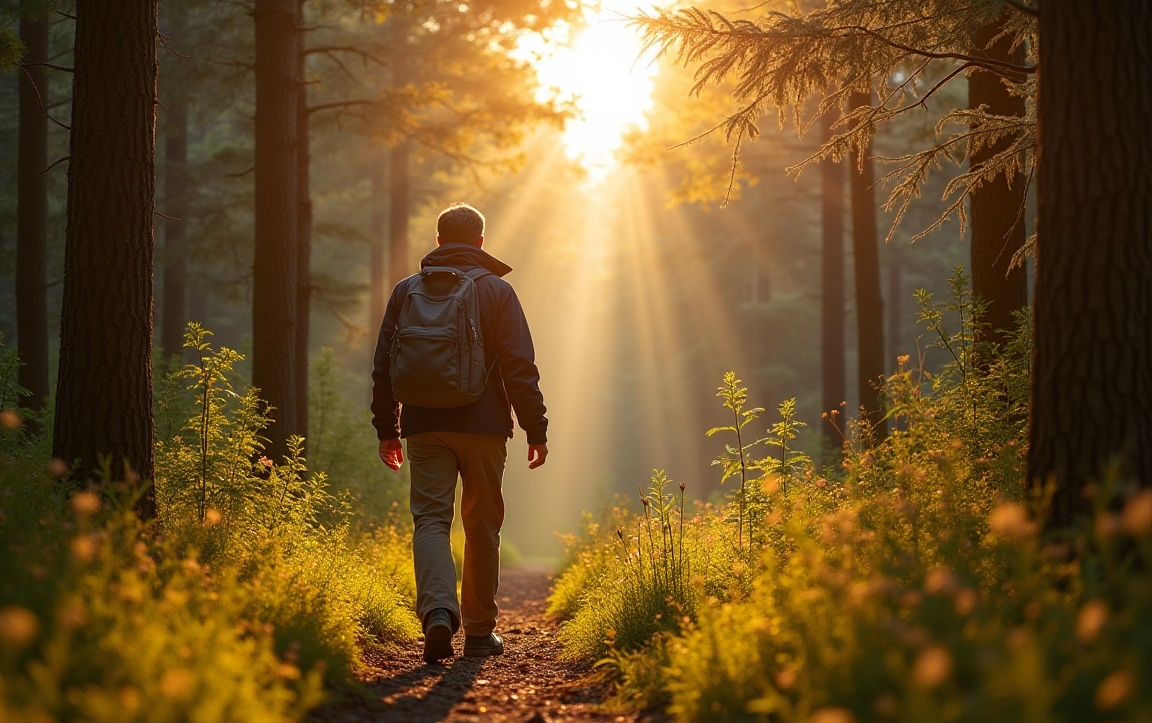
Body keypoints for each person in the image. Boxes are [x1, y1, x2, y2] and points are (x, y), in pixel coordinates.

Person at [372, 202, 549, 665]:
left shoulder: (406, 291)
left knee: (430, 520)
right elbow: (518, 365)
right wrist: (536, 427)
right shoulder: (497, 291)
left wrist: (387, 429)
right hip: (485, 426)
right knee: (481, 526)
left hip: (424, 425)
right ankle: (477, 632)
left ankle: (436, 613)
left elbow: (383, 367)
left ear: (437, 241)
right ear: (481, 243)